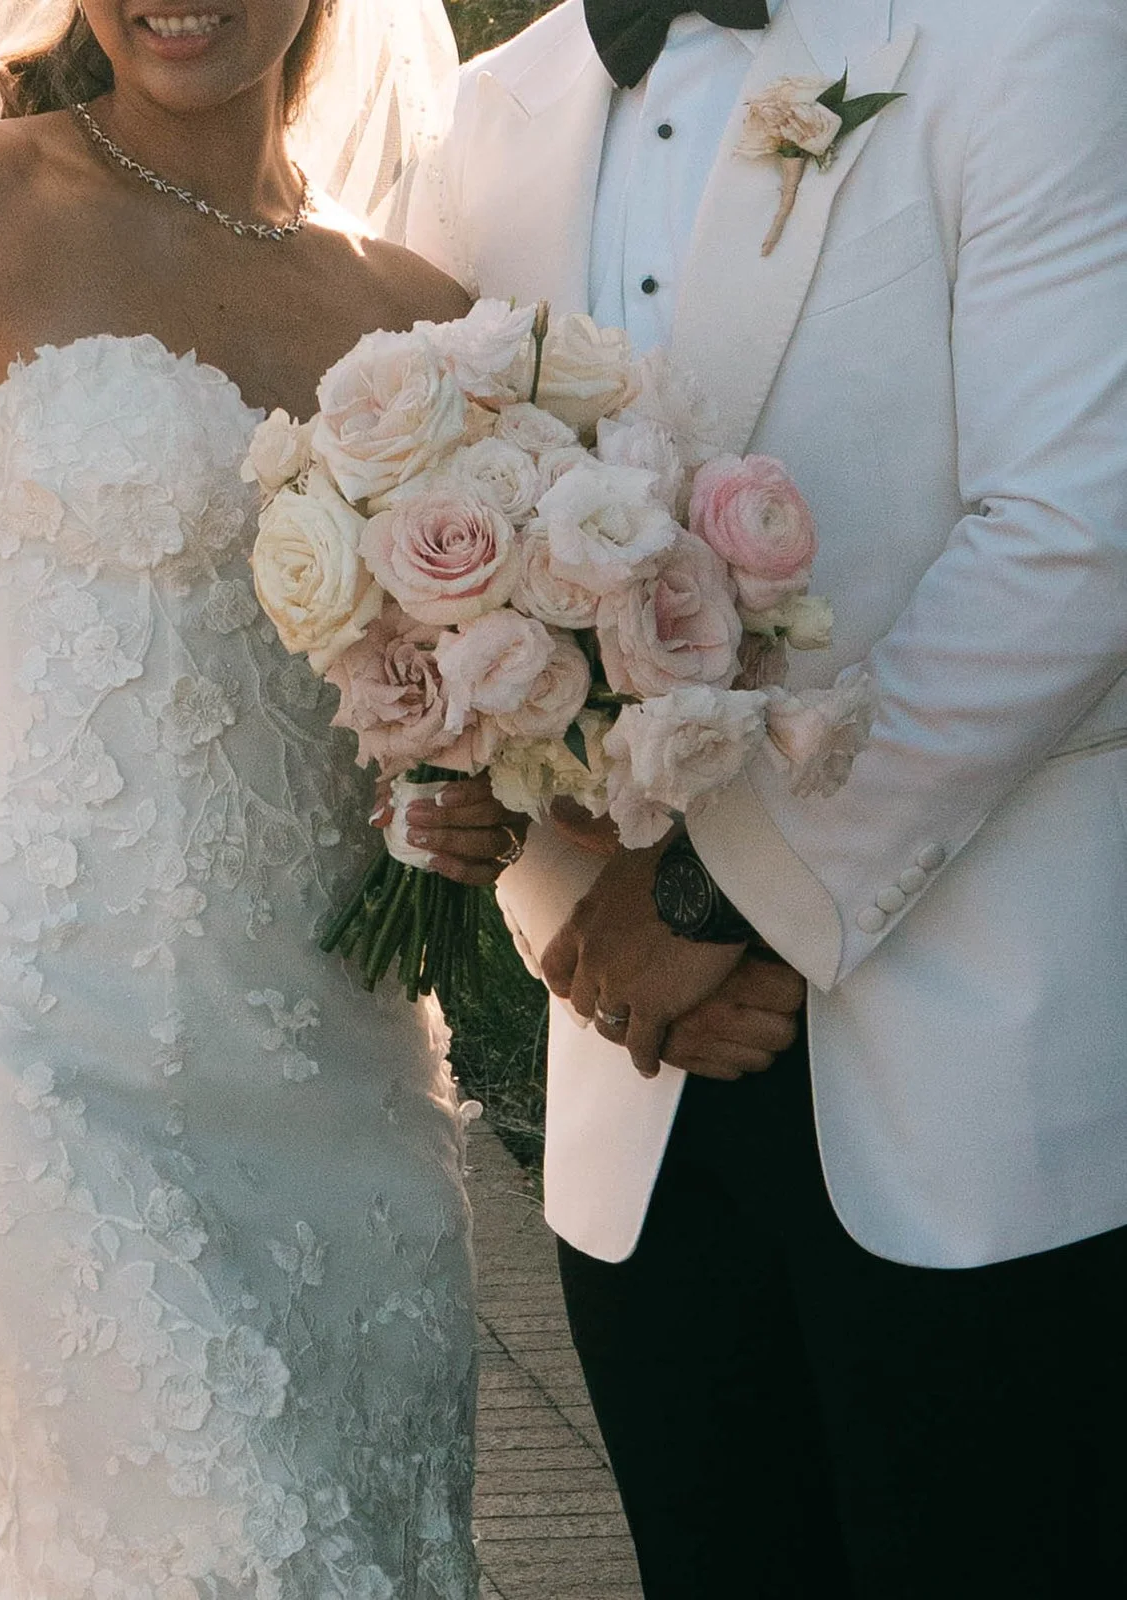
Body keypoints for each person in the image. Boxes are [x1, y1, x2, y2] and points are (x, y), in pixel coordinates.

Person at [408, 0, 1127, 1594]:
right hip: (651, 1104)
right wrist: (583, 940)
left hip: (978, 1084)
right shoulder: (488, 118)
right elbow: (443, 573)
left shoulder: (1028, 39)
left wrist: (712, 900)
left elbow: (1078, 535)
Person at [0, 3, 521, 1595]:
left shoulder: (423, 325)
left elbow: (450, 733)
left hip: (343, 1089)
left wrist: (463, 815)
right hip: (44, 1053)